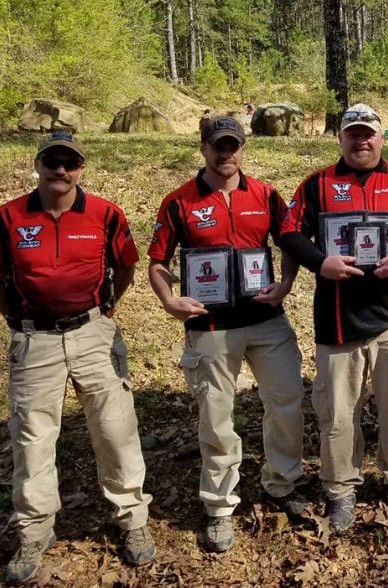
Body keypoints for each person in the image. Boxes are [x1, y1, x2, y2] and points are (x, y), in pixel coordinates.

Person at [0, 132, 155, 585]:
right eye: (52, 161)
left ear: (81, 168)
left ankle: (132, 517)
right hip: (34, 339)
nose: (61, 170)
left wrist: (106, 311)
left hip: (93, 333)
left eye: (69, 163)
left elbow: (127, 267)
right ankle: (34, 530)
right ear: (37, 164)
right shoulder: (6, 219)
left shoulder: (106, 214)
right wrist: (16, 319)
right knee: (33, 437)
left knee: (115, 428)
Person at [279, 103, 388, 530]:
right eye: (353, 133)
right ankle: (340, 488)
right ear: (341, 138)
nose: (361, 140)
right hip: (339, 318)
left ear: (381, 137)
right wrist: (321, 263)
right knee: (337, 411)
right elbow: (290, 232)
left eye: (368, 133)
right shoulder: (318, 184)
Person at [148, 116, 305, 553]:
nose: (226, 154)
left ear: (243, 149)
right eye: (218, 146)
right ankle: (219, 505)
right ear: (203, 148)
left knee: (287, 400)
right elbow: (157, 261)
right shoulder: (179, 202)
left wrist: (287, 283)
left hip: (265, 320)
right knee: (217, 418)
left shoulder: (266, 195)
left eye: (233, 145)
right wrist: (168, 300)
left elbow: (289, 241)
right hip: (210, 326)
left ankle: (282, 483)